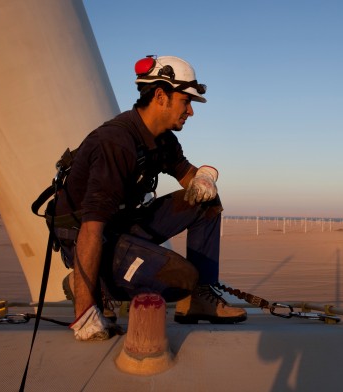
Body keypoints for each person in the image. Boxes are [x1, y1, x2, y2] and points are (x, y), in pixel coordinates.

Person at [54, 55, 247, 341]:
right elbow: (90, 229)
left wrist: (206, 177)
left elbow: (192, 179)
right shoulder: (116, 143)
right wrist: (85, 314)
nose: (191, 111)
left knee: (207, 203)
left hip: (120, 225)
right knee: (180, 277)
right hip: (88, 236)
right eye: (186, 101)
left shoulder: (163, 140)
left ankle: (200, 299)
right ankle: (92, 287)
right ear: (160, 96)